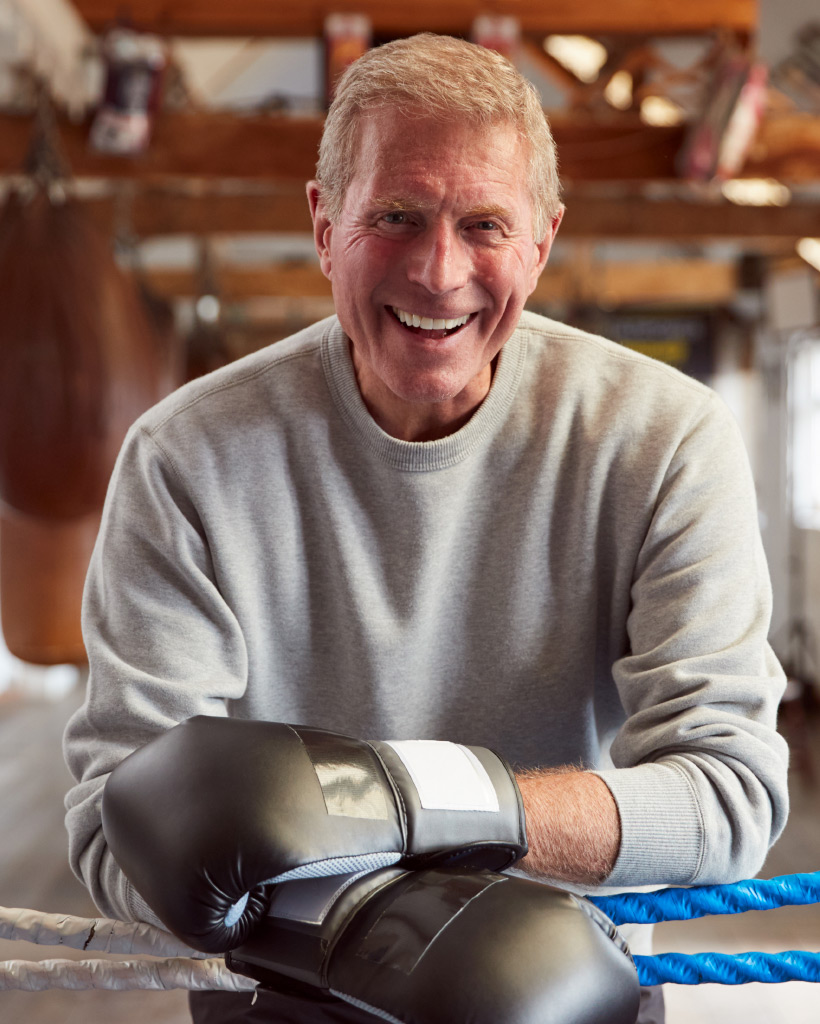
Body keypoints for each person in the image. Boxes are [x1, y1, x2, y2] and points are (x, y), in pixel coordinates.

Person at [63, 33, 789, 1024]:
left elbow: (729, 794)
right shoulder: (185, 459)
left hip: (568, 991)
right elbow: (118, 823)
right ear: (324, 226)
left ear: (542, 240)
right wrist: (364, 920)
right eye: (395, 216)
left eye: (484, 224)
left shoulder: (664, 440)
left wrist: (396, 799)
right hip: (282, 1000)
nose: (438, 271)